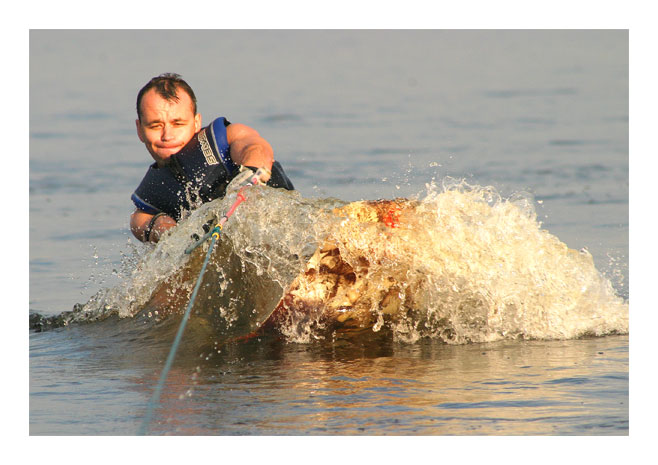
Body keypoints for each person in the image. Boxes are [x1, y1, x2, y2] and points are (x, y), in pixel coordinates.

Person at [130, 73, 294, 243]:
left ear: (196, 122)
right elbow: (140, 222)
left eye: (178, 124)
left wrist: (252, 174)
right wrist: (168, 232)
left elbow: (253, 146)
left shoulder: (226, 139)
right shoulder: (150, 196)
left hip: (281, 230)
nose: (167, 136)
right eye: (155, 126)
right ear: (140, 129)